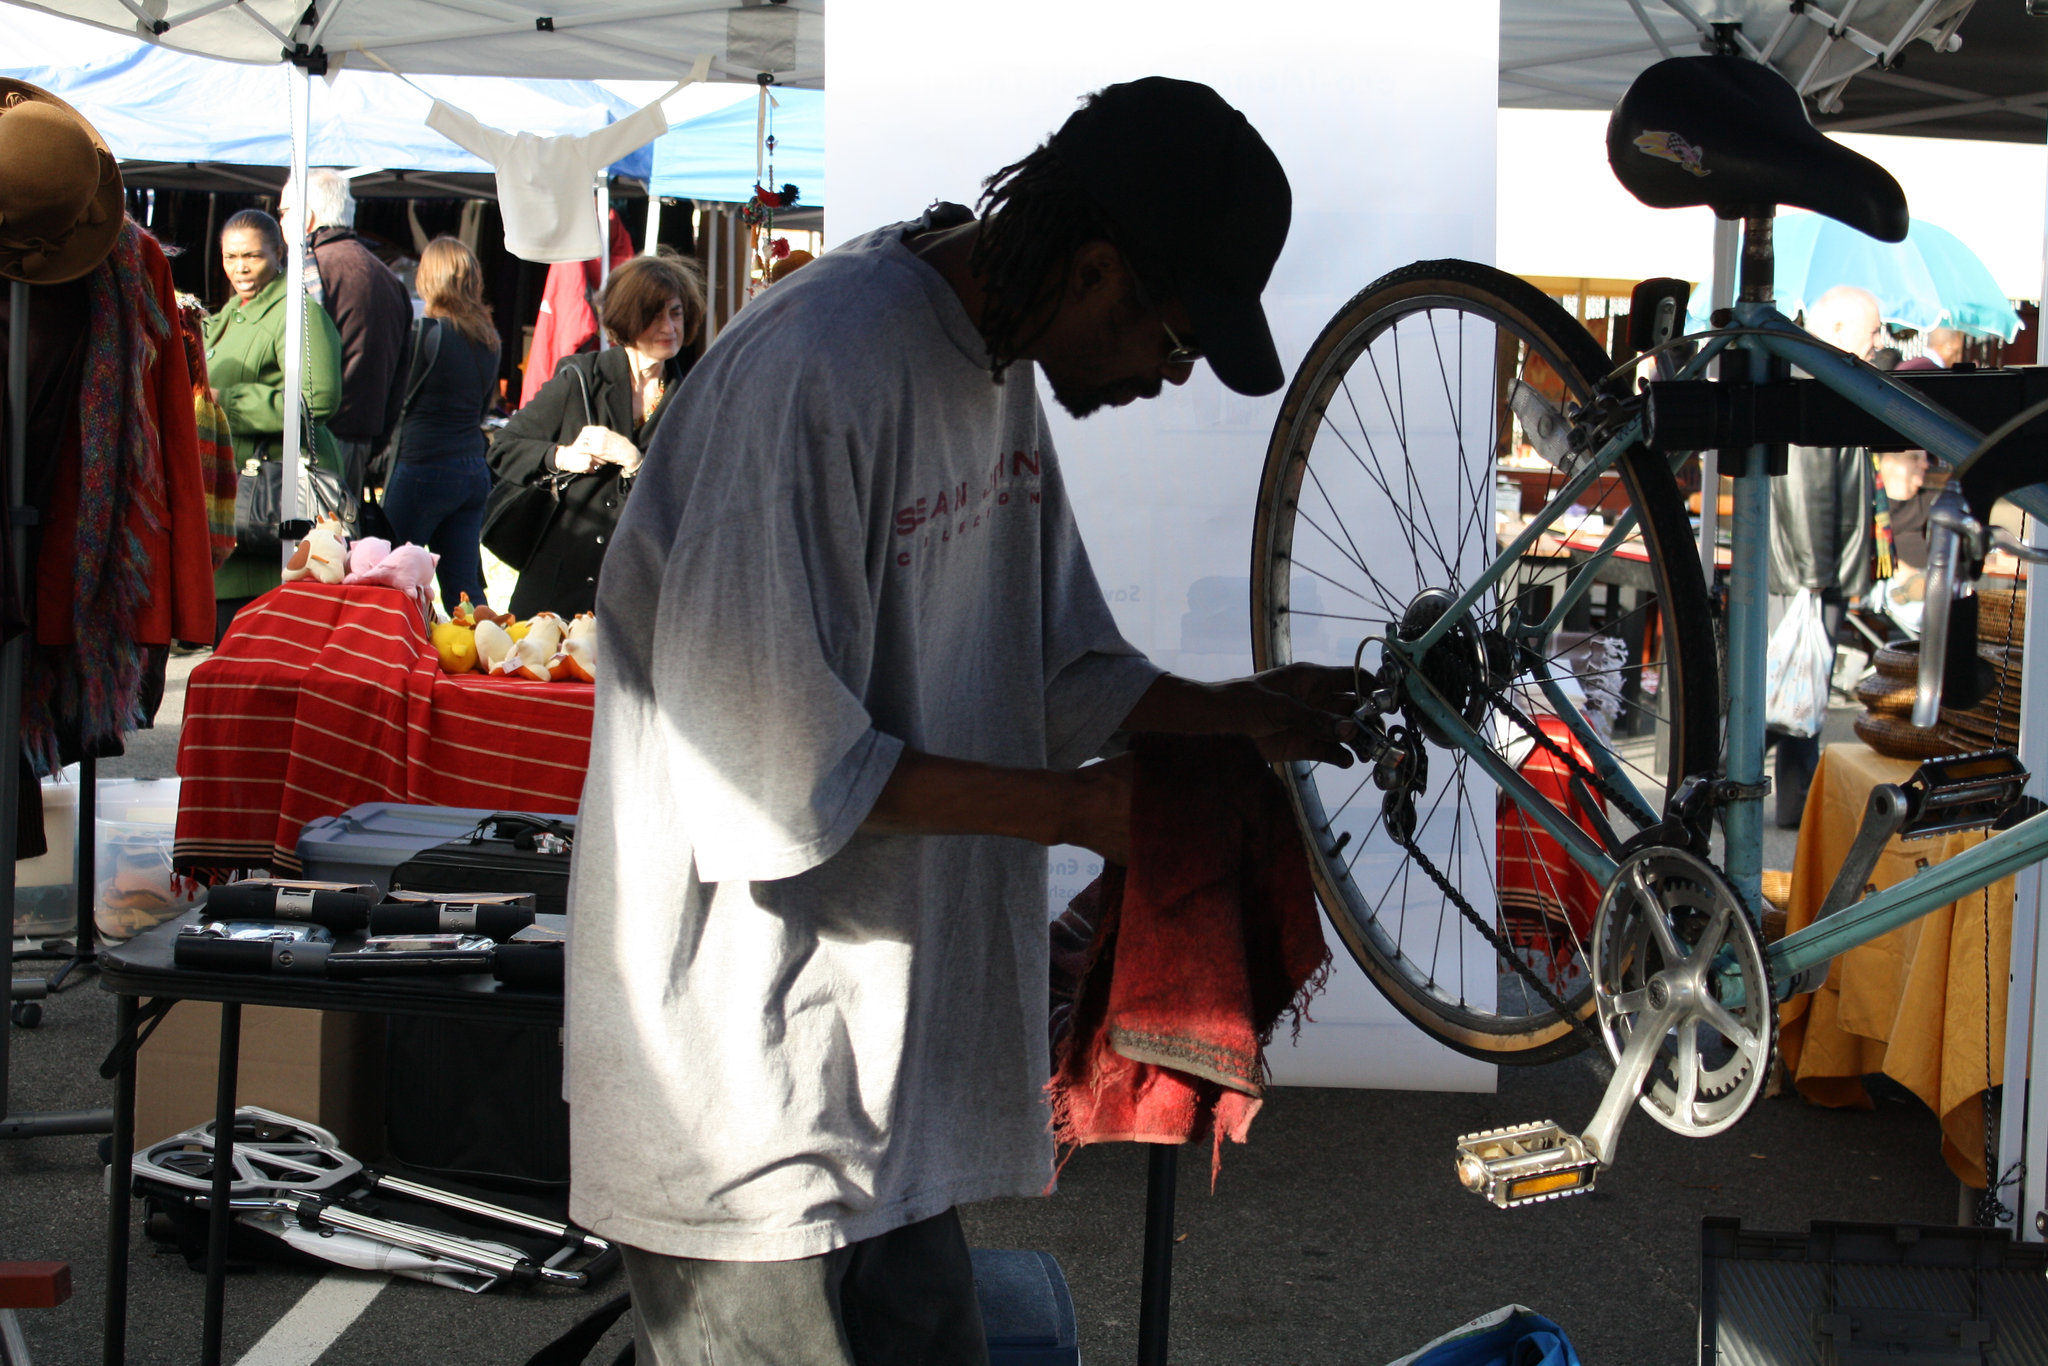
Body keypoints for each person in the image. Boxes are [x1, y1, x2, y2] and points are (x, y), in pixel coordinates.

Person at [565, 77, 1357, 1365]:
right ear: (1094, 268)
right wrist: (1085, 812)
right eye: (1167, 339)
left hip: (878, 1076)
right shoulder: (820, 372)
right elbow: (763, 770)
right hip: (737, 1078)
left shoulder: (990, 370)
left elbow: (1049, 672)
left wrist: (1239, 716)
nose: (1165, 380)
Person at [487, 253, 703, 618]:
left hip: (637, 603)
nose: (669, 327)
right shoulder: (580, 378)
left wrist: (635, 462)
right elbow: (504, 448)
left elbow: (692, 503)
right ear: (628, 319)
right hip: (554, 595)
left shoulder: (695, 399)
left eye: (676, 312)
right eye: (655, 314)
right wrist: (561, 456)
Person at [1768, 283, 1883, 825]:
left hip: (1814, 568)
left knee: (1799, 687)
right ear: (1837, 330)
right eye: (1873, 328)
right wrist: (1815, 576)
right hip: (1811, 571)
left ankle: (1794, 802)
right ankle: (1734, 775)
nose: (1880, 339)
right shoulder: (1818, 380)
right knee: (1795, 686)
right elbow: (1809, 486)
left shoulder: (1822, 377)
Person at [203, 208, 345, 639]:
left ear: (278, 254)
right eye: (230, 257)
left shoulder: (297, 311)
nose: (240, 267)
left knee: (256, 649)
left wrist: (227, 401)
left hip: (270, 500)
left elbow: (319, 397)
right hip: (232, 499)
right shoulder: (232, 312)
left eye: (252, 256)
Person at [382, 237, 500, 609]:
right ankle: (486, 658)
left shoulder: (426, 334)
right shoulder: (487, 337)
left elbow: (398, 399)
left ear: (427, 278)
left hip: (423, 464)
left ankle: (392, 657)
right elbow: (483, 407)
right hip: (470, 469)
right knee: (465, 588)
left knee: (391, 576)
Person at [282, 168, 413, 498]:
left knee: (302, 547)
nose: (279, 221)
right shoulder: (389, 280)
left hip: (310, 441)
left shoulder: (309, 268)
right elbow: (400, 377)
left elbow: (288, 358)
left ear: (306, 217)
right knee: (336, 546)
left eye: (283, 212)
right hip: (359, 440)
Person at [1896, 325, 1966, 371]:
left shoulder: (1906, 365)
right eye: (1957, 352)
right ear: (1949, 347)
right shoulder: (1935, 372)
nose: (1959, 357)